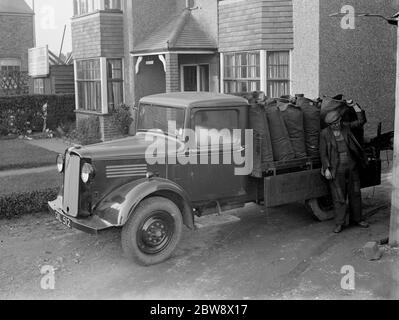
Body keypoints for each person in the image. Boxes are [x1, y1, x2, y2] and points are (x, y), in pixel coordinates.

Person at [320, 108, 369, 234]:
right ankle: (339, 223)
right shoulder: (325, 133)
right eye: (332, 125)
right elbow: (323, 153)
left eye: (336, 123)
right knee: (339, 197)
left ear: (340, 121)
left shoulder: (346, 128)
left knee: (355, 193)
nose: (335, 126)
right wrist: (326, 168)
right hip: (337, 170)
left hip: (352, 167)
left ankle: (357, 219)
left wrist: (356, 107)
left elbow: (361, 121)